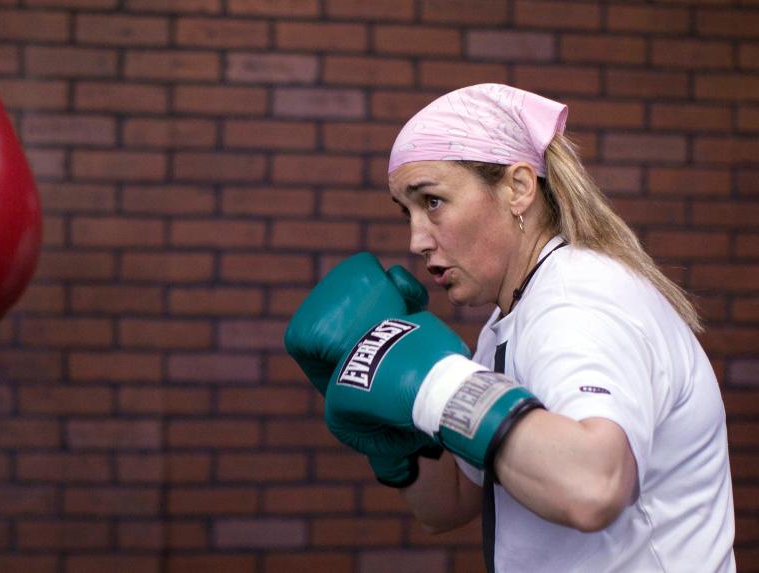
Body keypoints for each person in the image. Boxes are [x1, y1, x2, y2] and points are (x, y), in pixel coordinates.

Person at [284, 84, 736, 572]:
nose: (416, 239)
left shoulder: (576, 302)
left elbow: (595, 486)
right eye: (406, 211)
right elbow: (452, 503)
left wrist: (433, 383)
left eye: (432, 202)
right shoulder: (513, 316)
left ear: (518, 188)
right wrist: (404, 442)